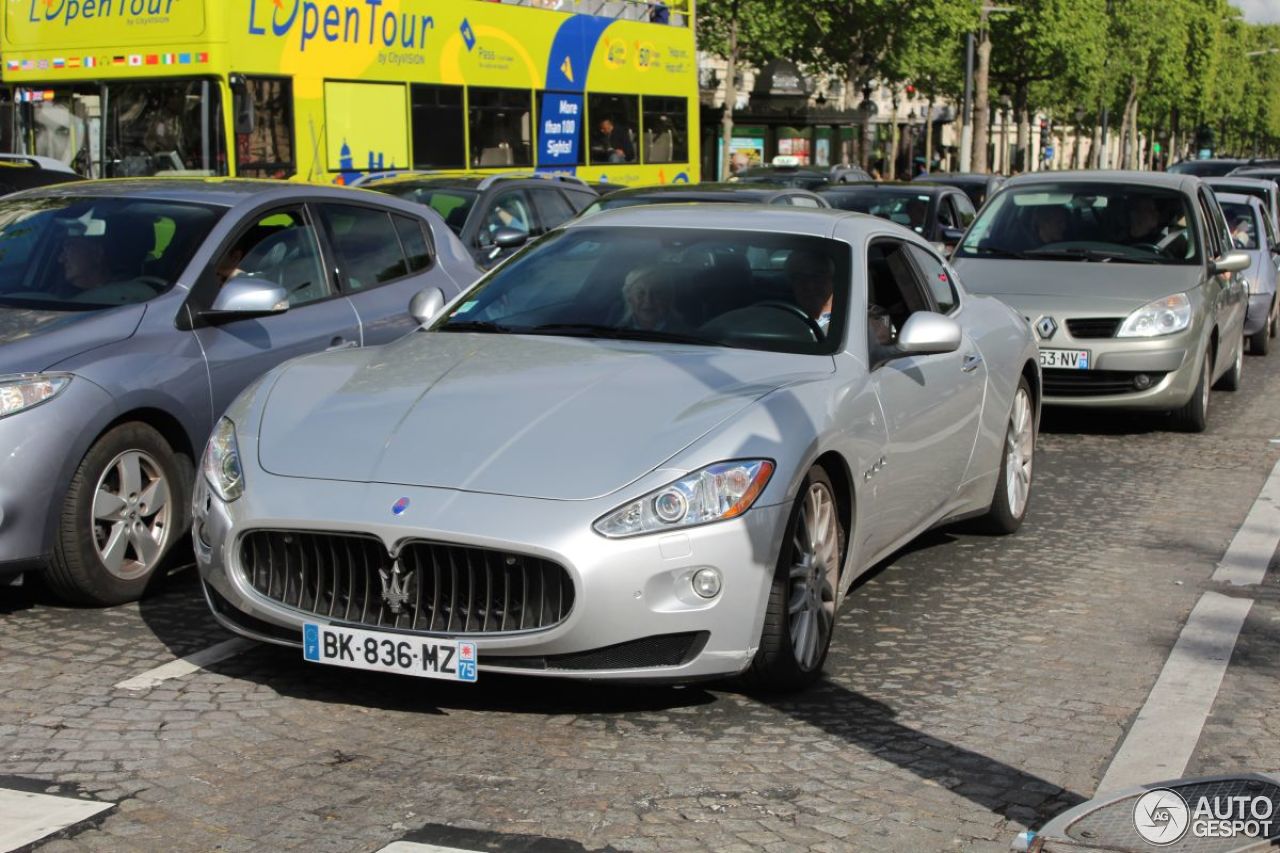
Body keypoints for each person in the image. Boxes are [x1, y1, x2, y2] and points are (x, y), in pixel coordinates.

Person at [785, 249, 835, 334]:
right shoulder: (781, 322)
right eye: (800, 278)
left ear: (833, 280)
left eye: (818, 277)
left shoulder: (851, 322)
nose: (809, 286)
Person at [621, 266, 681, 331]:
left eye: (657, 293)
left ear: (668, 297)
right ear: (629, 297)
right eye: (641, 293)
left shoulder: (687, 334)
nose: (648, 300)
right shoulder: (613, 330)